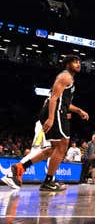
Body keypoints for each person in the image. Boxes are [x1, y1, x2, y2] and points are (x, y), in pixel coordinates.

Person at [1, 55, 89, 191]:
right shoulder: (65, 76)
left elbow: (65, 103)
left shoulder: (69, 79)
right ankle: (48, 181)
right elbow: (53, 98)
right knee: (62, 145)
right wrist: (51, 118)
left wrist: (79, 111)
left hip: (57, 111)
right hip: (55, 113)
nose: (78, 64)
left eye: (79, 62)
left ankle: (19, 168)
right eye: (75, 62)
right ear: (67, 64)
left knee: (54, 148)